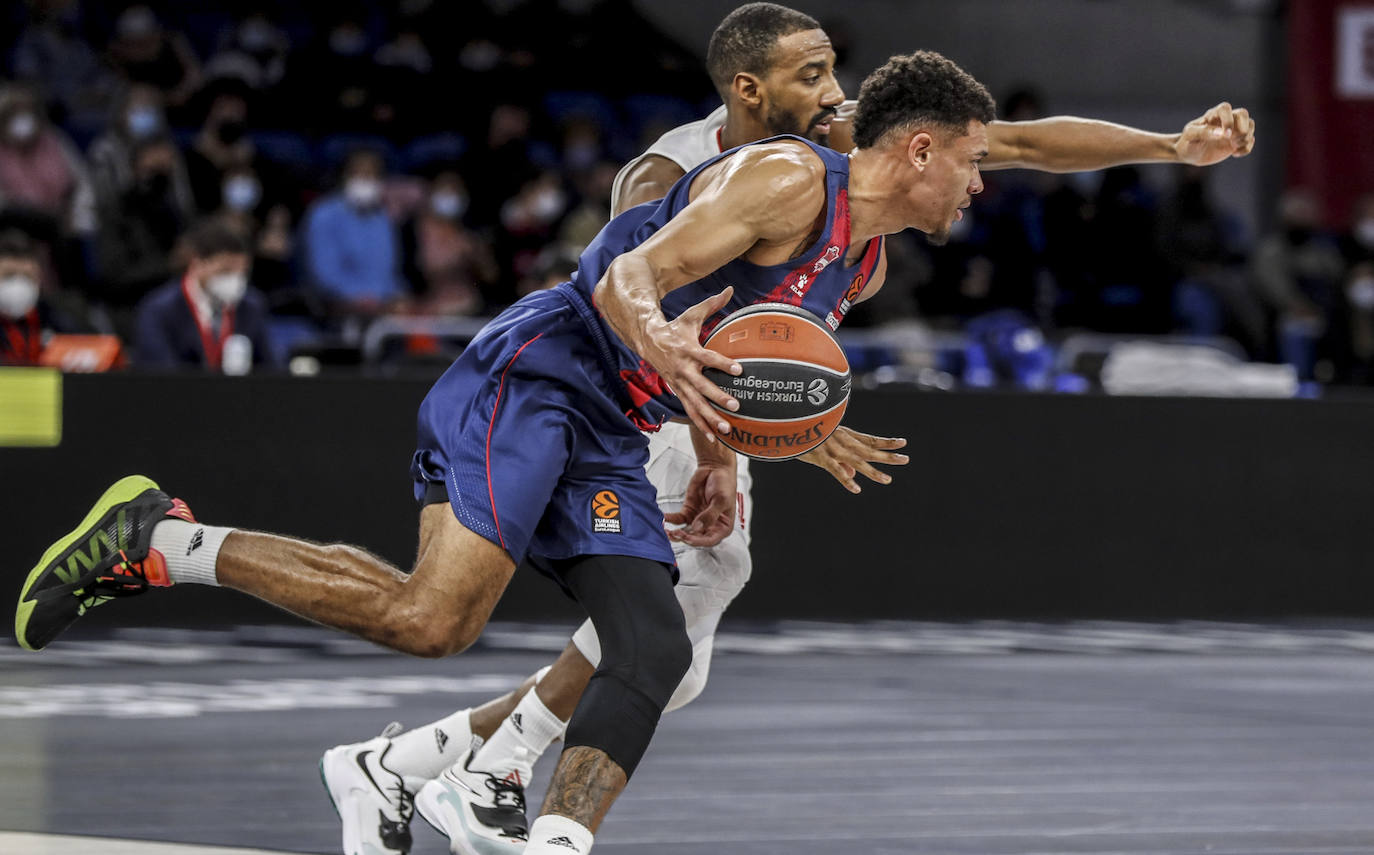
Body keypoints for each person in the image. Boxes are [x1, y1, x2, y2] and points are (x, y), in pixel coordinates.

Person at [315, 5, 1260, 855]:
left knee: (674, 658)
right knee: (674, 612)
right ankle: (491, 772)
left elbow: (1017, 144)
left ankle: (417, 762)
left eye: (833, 74)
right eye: (812, 75)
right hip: (651, 381)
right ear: (746, 89)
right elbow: (645, 301)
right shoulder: (674, 167)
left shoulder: (847, 148)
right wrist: (746, 430)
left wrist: (1172, 147)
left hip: (719, 390)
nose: (834, 91)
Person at [19, 47, 1004, 855]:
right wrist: (658, 338)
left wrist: (720, 452)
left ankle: (554, 842)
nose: (982, 180)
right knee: (430, 621)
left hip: (619, 423)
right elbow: (631, 274)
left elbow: (731, 353)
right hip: (540, 374)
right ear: (919, 151)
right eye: (972, 159)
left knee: (655, 646)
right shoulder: (789, 180)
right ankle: (163, 543)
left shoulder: (862, 268)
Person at [132, 219, 276, 372]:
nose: (235, 280)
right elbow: (159, 373)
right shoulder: (159, 310)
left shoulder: (251, 306)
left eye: (241, 273)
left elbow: (270, 369)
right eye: (225, 271)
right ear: (198, 264)